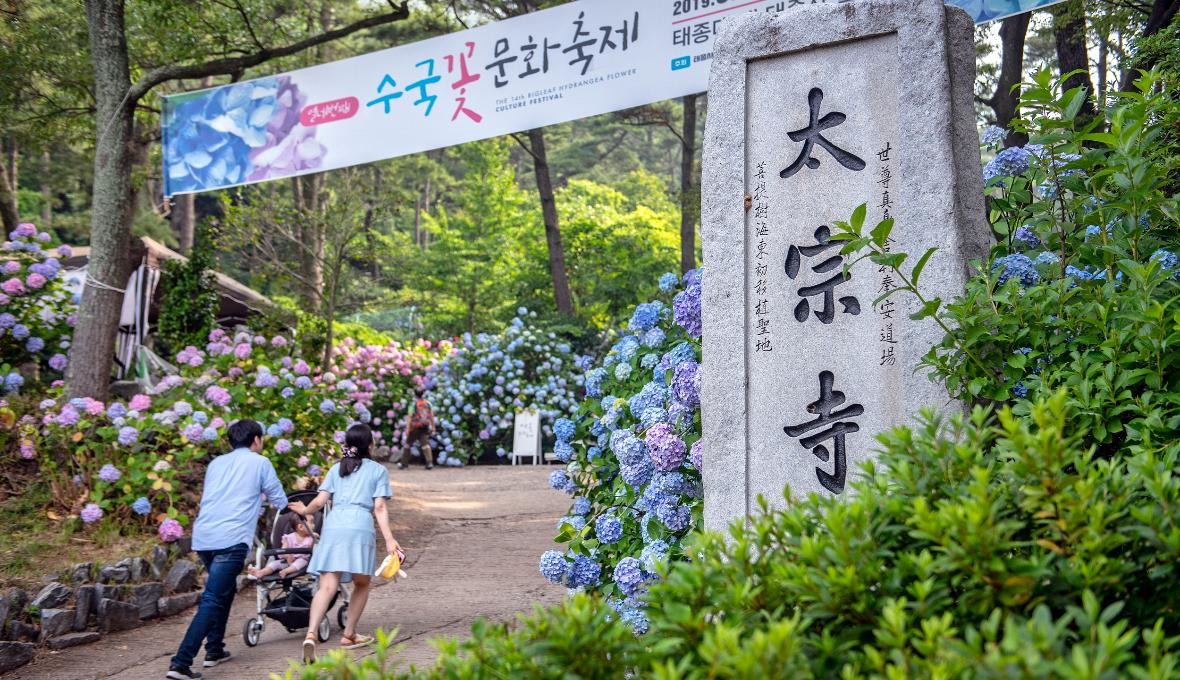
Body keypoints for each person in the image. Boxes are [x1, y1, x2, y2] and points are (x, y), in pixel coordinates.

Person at [167, 419, 306, 680]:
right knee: (212, 598)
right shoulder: (260, 462)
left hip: (205, 537)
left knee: (225, 590)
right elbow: (279, 500)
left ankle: (215, 649)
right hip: (231, 540)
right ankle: (180, 663)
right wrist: (298, 511)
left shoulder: (216, 464)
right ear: (256, 440)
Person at [301, 423, 400, 662]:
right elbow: (379, 506)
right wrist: (389, 539)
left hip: (334, 525)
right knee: (362, 583)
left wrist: (304, 510)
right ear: (370, 445)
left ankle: (311, 634)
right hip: (360, 526)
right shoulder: (377, 470)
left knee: (327, 586)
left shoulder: (337, 468)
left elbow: (320, 501)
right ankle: (349, 634)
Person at [246, 517, 314, 581]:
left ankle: (286, 571)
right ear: (301, 527)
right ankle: (261, 572)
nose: (314, 525)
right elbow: (283, 550)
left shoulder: (310, 539)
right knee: (274, 564)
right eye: (311, 523)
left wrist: (315, 538)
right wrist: (287, 556)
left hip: (302, 560)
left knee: (301, 562)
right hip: (286, 560)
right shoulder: (288, 538)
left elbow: (313, 549)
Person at [398, 387, 435, 470]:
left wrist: (407, 429)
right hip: (424, 427)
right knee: (425, 445)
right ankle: (429, 463)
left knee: (408, 445)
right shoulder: (428, 403)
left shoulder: (413, 404)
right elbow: (431, 416)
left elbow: (410, 417)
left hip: (414, 428)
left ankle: (404, 464)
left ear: (415, 394)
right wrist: (433, 427)